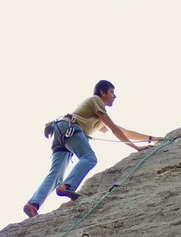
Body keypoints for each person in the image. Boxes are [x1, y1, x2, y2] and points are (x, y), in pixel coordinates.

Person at [23, 80, 161, 218]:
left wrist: (151, 138)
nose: (115, 96)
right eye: (112, 92)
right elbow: (114, 130)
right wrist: (136, 147)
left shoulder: (98, 119)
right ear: (103, 92)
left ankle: (33, 204)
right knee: (89, 158)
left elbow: (123, 131)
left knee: (56, 174)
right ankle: (66, 186)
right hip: (70, 128)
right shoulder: (96, 100)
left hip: (62, 130)